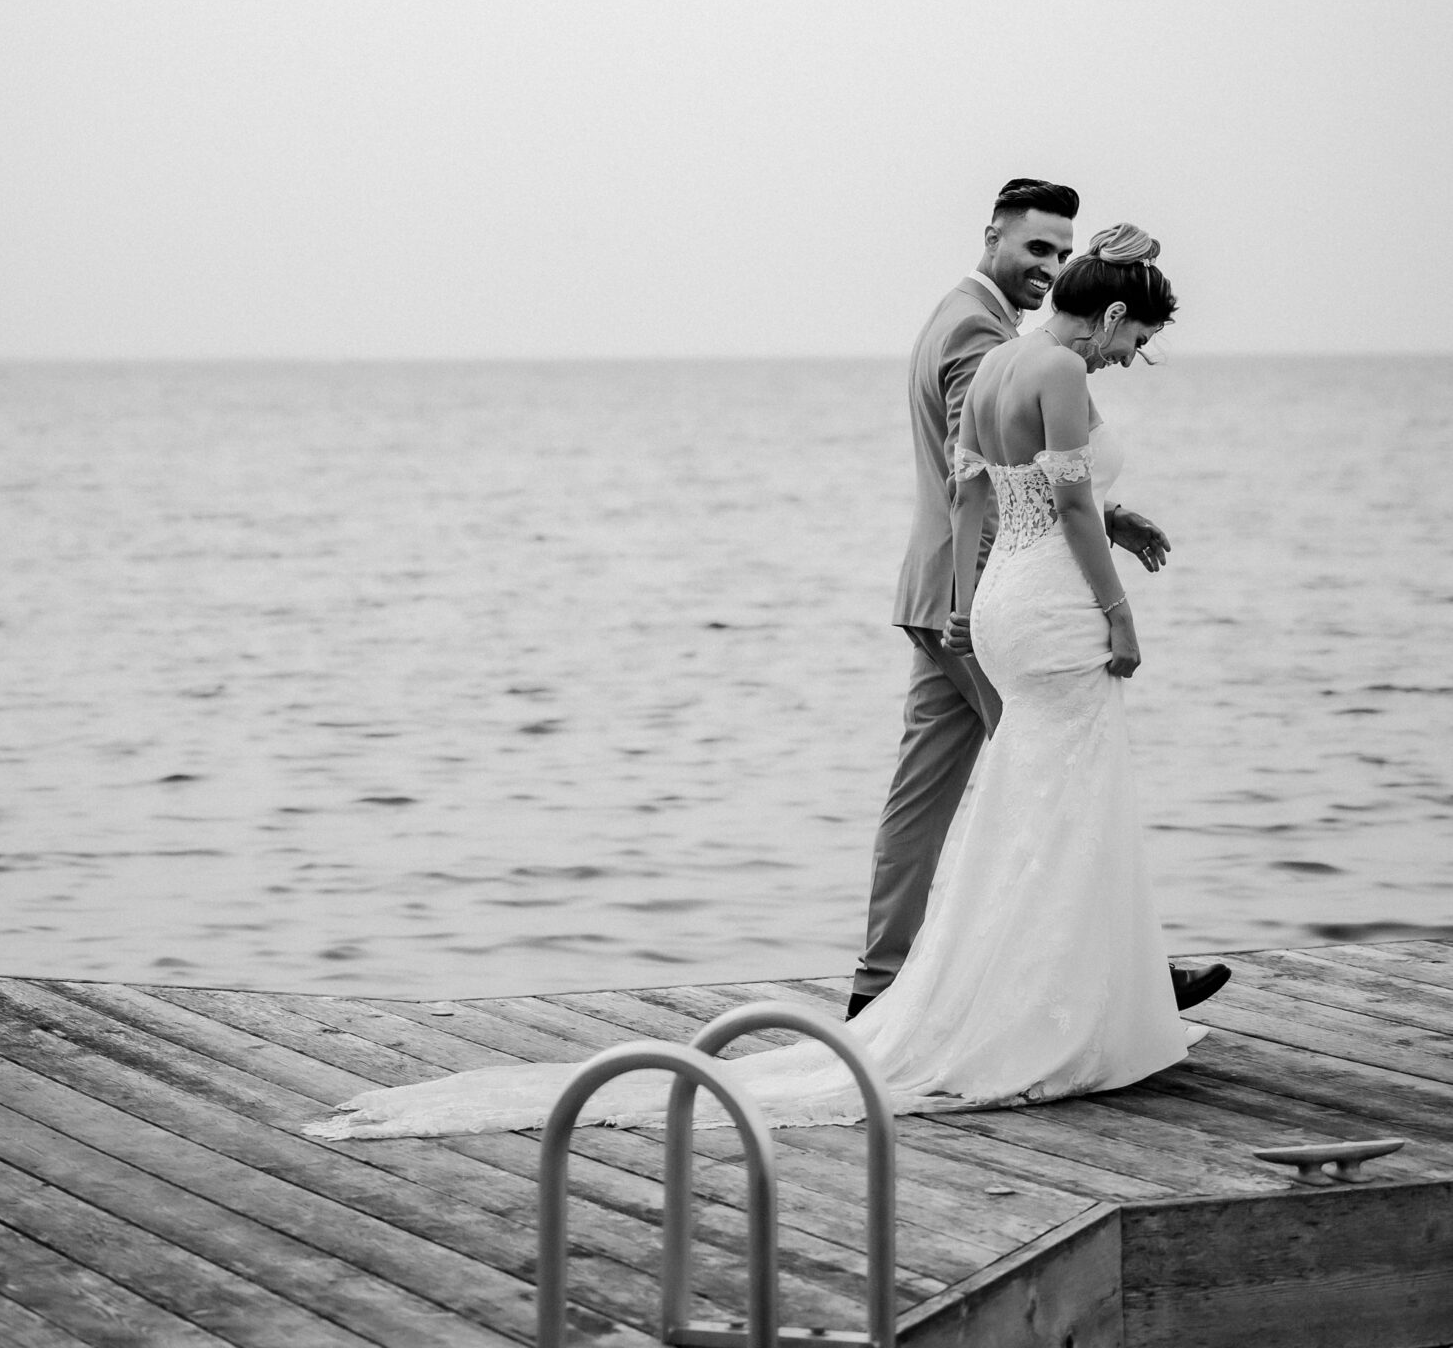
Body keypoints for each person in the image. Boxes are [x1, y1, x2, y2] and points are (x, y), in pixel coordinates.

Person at [305, 223, 1218, 1140]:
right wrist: (1117, 610)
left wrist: (964, 601)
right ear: (1107, 314)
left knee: (1028, 807)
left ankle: (1042, 991)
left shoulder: (994, 369)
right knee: (1064, 805)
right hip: (1054, 603)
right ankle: (1059, 1006)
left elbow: (971, 490)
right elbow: (1061, 498)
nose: (1132, 360)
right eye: (1135, 341)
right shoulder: (1058, 372)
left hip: (999, 602)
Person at [849, 180, 1222, 1019]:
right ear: (992, 236)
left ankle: (878, 984)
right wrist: (990, 602)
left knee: (925, 798)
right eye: (1036, 249)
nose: (1049, 267)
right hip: (985, 595)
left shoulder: (958, 316)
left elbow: (997, 470)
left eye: (1063, 251)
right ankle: (1108, 974)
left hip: (940, 591)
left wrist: (1102, 515)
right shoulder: (983, 336)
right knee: (1050, 791)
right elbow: (977, 476)